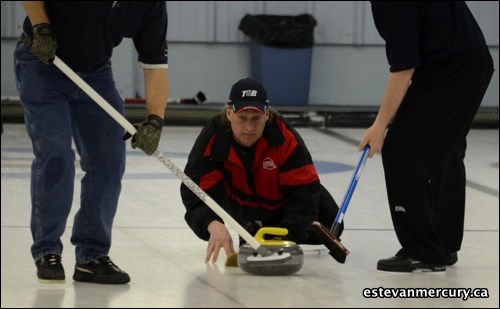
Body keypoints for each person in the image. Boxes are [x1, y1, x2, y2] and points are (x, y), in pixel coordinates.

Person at [15, 1, 168, 284]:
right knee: (56, 154)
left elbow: (155, 64)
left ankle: (91, 255)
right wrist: (40, 25)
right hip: (43, 61)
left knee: (108, 161)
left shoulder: (151, 6)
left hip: (95, 74)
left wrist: (155, 120)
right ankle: (47, 249)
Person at [360, 2, 494, 272]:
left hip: (453, 69)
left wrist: (380, 126)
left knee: (401, 152)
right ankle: (442, 245)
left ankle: (422, 250)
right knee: (446, 152)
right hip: (467, 64)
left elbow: (403, 68)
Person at [181, 78, 343, 263]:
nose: (249, 127)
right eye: (242, 118)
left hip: (281, 204)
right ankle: (249, 226)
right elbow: (193, 191)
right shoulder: (214, 137)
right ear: (229, 114)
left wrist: (285, 239)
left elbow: (304, 191)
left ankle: (266, 229)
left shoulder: (284, 137)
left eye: (256, 119)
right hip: (240, 204)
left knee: (332, 222)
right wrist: (211, 223)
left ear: (267, 114)